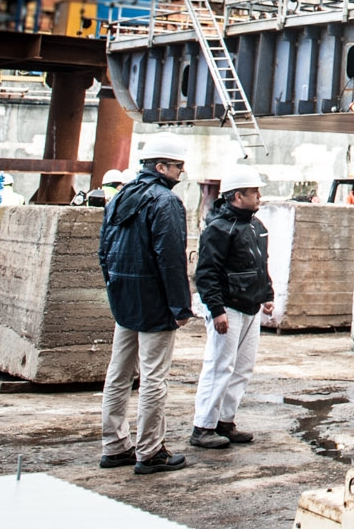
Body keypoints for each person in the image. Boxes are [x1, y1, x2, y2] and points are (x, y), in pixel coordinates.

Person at [98, 134, 194, 475]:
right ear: (161, 167)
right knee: (154, 377)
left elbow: (104, 251)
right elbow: (170, 259)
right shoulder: (165, 201)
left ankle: (115, 446)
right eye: (178, 166)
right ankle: (150, 451)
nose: (182, 172)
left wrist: (116, 289)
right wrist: (180, 307)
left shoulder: (121, 196)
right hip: (154, 302)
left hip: (124, 298)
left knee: (119, 373)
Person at [191, 167, 275, 450]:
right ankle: (203, 426)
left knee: (241, 368)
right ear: (238, 196)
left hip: (250, 307)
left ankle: (225, 421)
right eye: (254, 192)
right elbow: (206, 273)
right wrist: (216, 310)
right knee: (219, 367)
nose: (259, 196)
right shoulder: (218, 228)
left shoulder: (255, 226)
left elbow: (260, 264)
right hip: (229, 307)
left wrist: (267, 293)